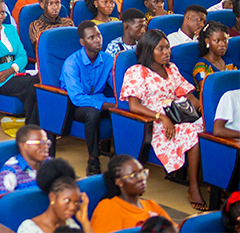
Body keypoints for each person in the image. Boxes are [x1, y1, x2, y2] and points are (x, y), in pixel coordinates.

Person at [120, 29, 205, 210]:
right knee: (192, 132)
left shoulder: (171, 69)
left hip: (178, 116)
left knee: (207, 128)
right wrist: (162, 117)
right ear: (149, 50)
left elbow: (188, 94)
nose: (167, 52)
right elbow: (133, 106)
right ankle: (193, 187)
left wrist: (204, 112)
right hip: (154, 123)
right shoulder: (136, 72)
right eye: (161, 49)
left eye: (167, 48)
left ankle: (216, 183)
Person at [58, 21, 113, 176]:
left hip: (98, 100)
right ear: (82, 42)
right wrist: (105, 104)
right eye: (91, 38)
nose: (97, 40)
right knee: (92, 114)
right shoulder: (72, 62)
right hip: (74, 106)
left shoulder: (107, 59)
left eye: (99, 35)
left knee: (124, 109)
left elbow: (115, 85)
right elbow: (76, 98)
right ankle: (93, 159)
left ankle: (122, 156)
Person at [90, 155, 169, 232]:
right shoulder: (109, 208)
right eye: (134, 175)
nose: (142, 178)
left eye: (143, 172)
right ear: (119, 181)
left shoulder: (151, 205)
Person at [18, 158, 92, 233]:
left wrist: (85, 221)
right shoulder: (29, 228)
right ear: (52, 197)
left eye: (76, 203)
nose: (72, 207)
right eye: (67, 200)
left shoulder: (71, 225)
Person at [192, 21, 235, 95]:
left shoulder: (229, 62)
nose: (222, 44)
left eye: (225, 40)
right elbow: (207, 91)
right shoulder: (201, 67)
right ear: (207, 41)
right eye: (217, 41)